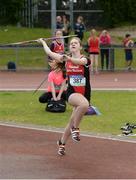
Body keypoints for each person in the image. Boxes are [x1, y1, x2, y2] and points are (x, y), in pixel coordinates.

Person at [38, 37, 91, 156]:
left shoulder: (85, 59)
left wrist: (69, 58)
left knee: (72, 120)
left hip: (84, 95)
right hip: (72, 95)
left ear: (80, 46)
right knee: (84, 105)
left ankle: (61, 143)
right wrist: (42, 42)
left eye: (75, 43)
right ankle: (75, 129)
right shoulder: (65, 59)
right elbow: (49, 53)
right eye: (71, 43)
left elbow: (79, 62)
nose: (73, 44)